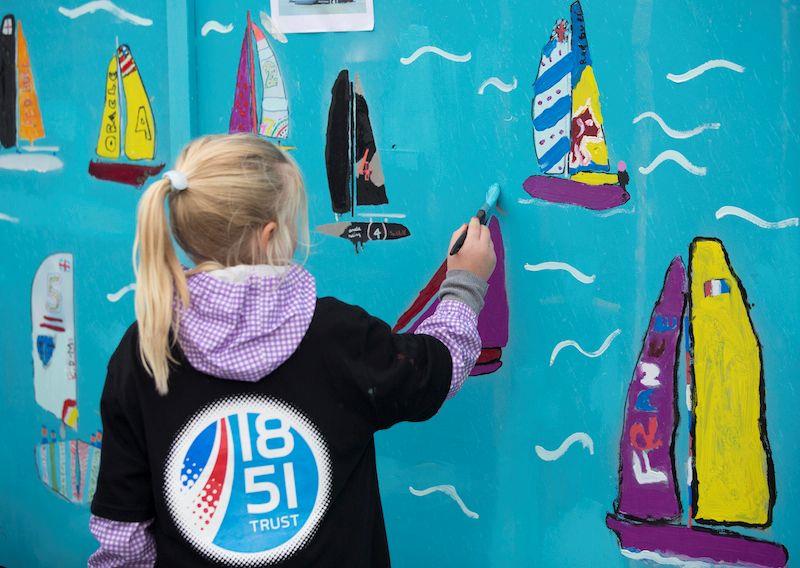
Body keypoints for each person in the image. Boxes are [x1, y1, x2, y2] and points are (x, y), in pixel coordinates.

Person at [88, 133, 495, 566]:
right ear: (269, 236)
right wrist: (465, 281)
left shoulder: (145, 350)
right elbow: (435, 369)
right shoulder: (337, 337)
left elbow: (123, 536)